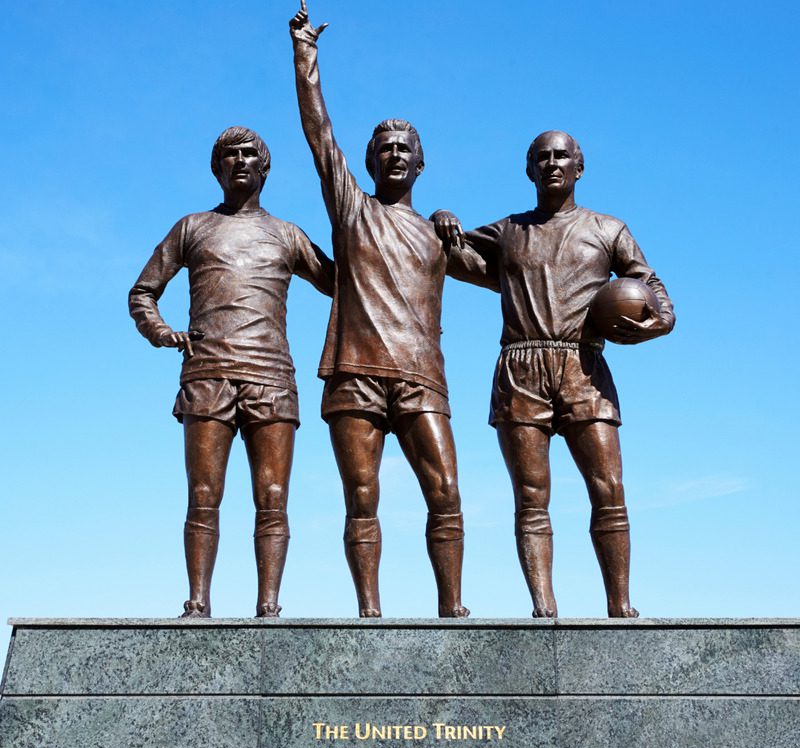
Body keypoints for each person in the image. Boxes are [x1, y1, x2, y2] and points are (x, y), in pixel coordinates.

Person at [433, 130, 675, 618]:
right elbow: (455, 257)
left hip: (582, 364)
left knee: (609, 488)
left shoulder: (608, 229)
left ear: (579, 168)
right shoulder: (509, 231)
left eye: (561, 156)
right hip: (521, 366)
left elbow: (655, 292)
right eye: (541, 157)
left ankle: (620, 605)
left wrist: (656, 322)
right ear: (529, 170)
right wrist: (440, 220)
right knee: (531, 496)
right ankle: (545, 609)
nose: (551, 163)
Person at [289, 1, 469, 618]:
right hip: (356, 373)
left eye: (405, 148)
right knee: (361, 496)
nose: (394, 154)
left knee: (445, 492)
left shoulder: (441, 236)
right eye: (384, 148)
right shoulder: (351, 208)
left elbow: (521, 276)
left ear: (421, 163)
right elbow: (319, 131)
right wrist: (305, 54)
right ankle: (370, 611)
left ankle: (452, 609)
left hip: (422, 375)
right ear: (368, 163)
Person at [129, 126, 334, 618]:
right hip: (207, 375)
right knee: (203, 494)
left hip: (271, 377)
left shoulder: (288, 234)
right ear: (216, 168)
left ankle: (268, 604)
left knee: (274, 496)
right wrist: (162, 332)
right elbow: (143, 292)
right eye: (229, 155)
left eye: (249, 154)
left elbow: (343, 283)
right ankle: (198, 601)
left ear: (265, 166)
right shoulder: (192, 227)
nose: (240, 161)